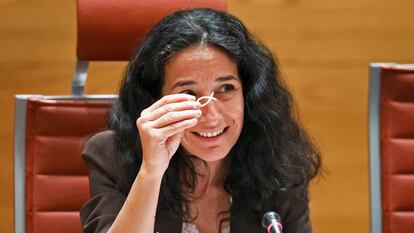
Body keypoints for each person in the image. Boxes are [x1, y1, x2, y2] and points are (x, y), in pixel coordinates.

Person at [80, 8, 321, 233]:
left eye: (226, 88)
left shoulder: (276, 161)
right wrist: (151, 171)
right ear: (155, 101)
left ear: (248, 95)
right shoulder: (111, 156)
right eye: (187, 94)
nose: (211, 117)